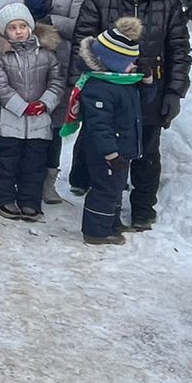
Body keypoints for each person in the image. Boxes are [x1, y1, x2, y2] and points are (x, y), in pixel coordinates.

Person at [67, 0, 192, 230]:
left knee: (147, 149)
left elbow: (179, 49)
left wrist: (175, 91)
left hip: (151, 88)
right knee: (103, 145)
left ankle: (143, 207)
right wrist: (79, 84)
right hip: (105, 85)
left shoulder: (169, 3)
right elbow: (82, 40)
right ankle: (100, 203)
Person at [62, 17, 145, 246]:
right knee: (104, 190)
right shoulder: (99, 87)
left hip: (121, 148)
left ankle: (112, 222)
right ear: (113, 62)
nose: (133, 65)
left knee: (115, 188)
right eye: (129, 61)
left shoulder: (121, 81)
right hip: (106, 152)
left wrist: (145, 78)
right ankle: (96, 231)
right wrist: (110, 152)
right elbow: (99, 126)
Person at [0, 0, 64, 221]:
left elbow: (56, 81)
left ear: (30, 26)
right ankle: (3, 198)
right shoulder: (1, 55)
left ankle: (30, 201)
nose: (18, 31)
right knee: (5, 163)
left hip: (39, 121)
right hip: (11, 120)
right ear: (4, 31)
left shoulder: (47, 53)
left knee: (34, 164)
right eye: (12, 28)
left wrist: (45, 102)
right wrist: (22, 107)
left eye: (22, 26)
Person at [36, 0, 88, 204]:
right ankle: (26, 179)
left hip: (61, 64)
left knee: (54, 127)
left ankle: (48, 183)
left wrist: (48, 20)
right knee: (28, 125)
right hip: (28, 65)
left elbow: (80, 26)